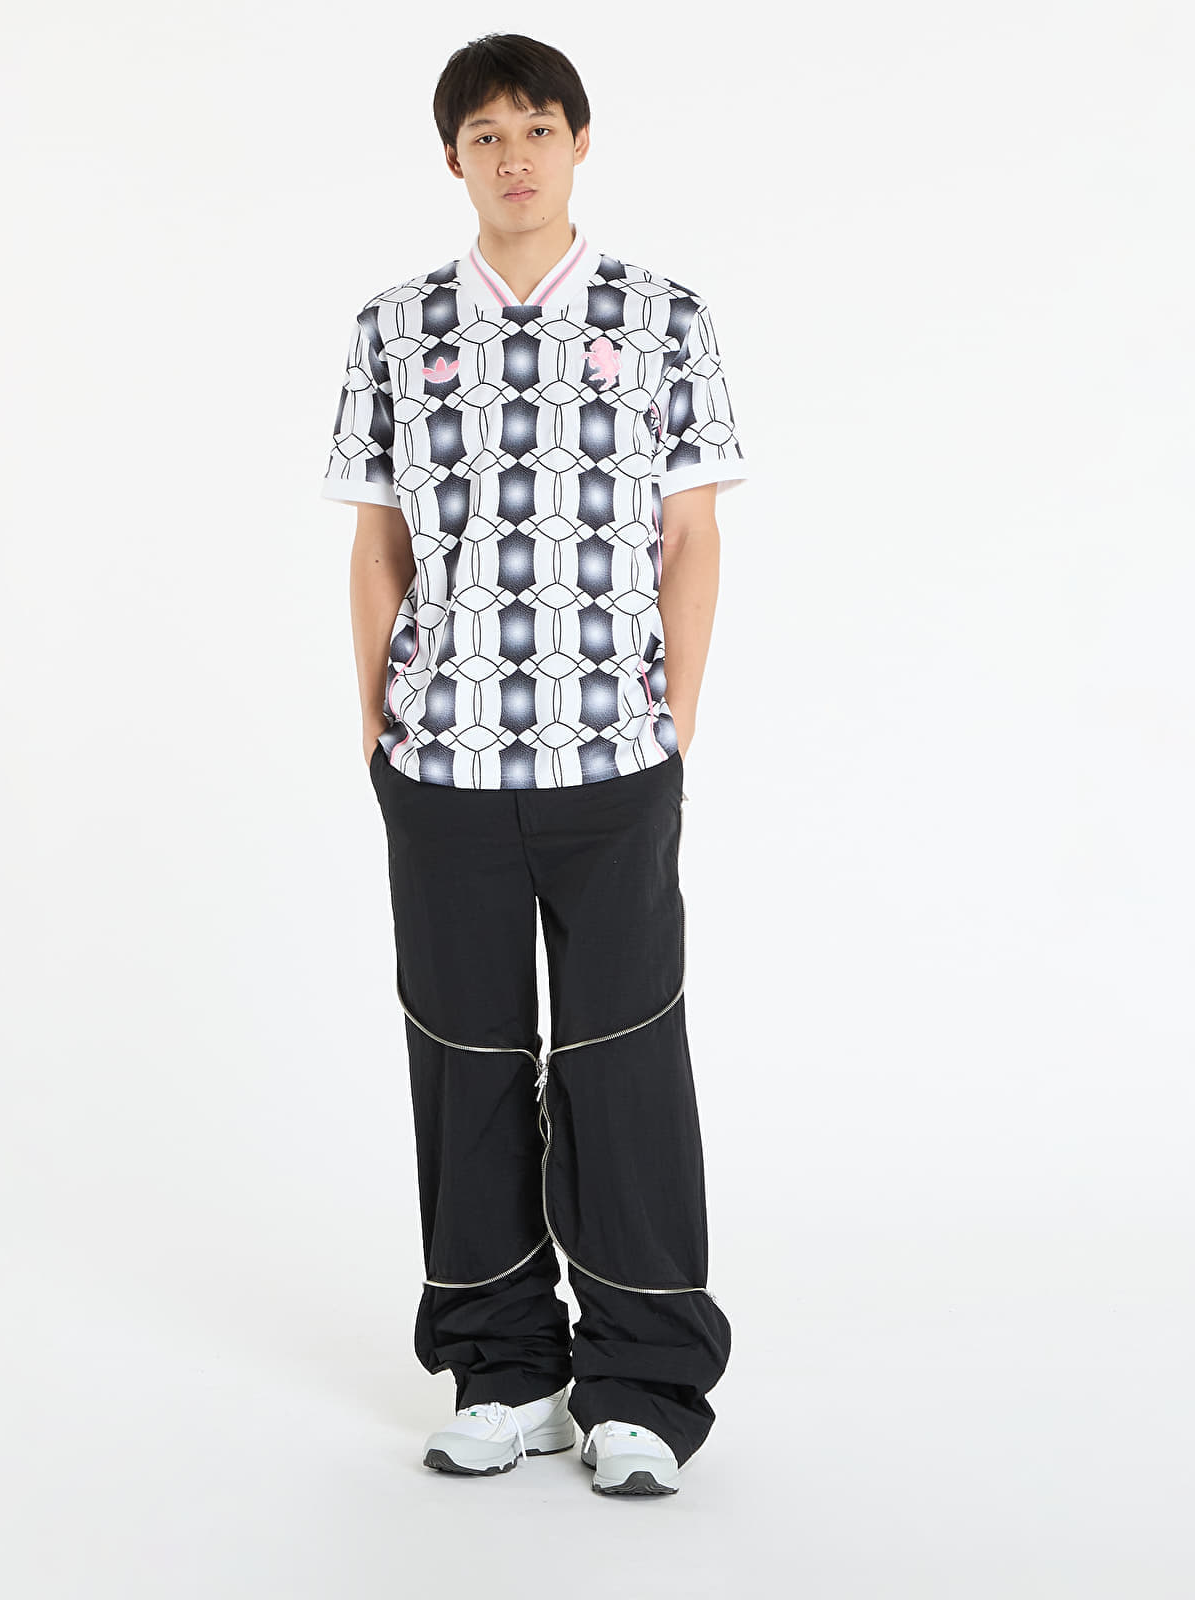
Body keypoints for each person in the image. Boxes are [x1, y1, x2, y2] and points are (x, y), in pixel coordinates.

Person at [320, 32, 751, 1497]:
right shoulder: (394, 327)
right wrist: (375, 724)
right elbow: (377, 544)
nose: (516, 156)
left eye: (539, 128)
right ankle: (501, 1370)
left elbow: (692, 536)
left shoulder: (663, 317)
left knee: (626, 1062)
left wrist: (672, 722)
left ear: (580, 143)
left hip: (614, 763)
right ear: (453, 158)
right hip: (442, 765)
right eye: (488, 134)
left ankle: (644, 1386)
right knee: (467, 1062)